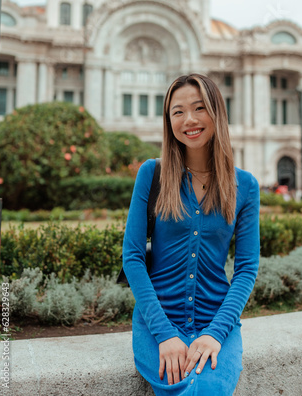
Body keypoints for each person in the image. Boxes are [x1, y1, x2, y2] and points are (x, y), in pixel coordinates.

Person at [123, 73, 260, 395]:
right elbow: (132, 258)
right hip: (157, 322)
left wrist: (215, 333)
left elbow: (246, 269)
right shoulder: (151, 173)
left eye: (199, 108)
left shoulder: (246, 185)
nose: (190, 120)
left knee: (206, 388)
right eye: (178, 111)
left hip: (218, 324)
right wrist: (165, 335)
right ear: (168, 120)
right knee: (184, 387)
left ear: (216, 112)